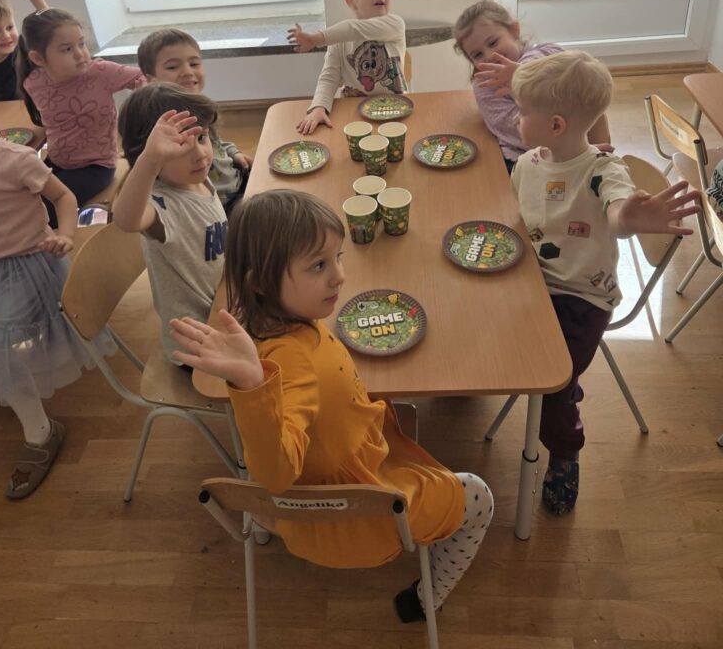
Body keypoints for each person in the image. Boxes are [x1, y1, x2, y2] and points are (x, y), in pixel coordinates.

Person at [169, 190, 493, 623]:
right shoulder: (291, 362)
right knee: (480, 497)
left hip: (330, 485)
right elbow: (276, 474)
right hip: (359, 513)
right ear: (260, 282)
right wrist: (251, 385)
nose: (339, 276)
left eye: (337, 258)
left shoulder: (276, 328)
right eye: (318, 266)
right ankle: (426, 598)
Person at [510, 50, 699, 514]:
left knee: (554, 386)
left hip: (580, 299)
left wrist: (630, 218)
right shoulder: (530, 161)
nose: (515, 119)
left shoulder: (603, 171)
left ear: (555, 124)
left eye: (522, 112)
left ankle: (565, 451)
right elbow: (518, 215)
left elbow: (617, 212)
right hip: (531, 281)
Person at [0, 89, 111, 499]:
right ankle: (14, 387)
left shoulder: (15, 160)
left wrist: (66, 234)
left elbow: (63, 196)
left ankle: (41, 433)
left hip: (26, 261)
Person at [114, 83, 227, 364]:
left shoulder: (198, 179)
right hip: (198, 343)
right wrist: (150, 160)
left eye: (202, 138)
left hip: (224, 307)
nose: (200, 154)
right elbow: (126, 219)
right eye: (179, 148)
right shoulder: (161, 204)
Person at [16, 8, 144, 224]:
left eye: (82, 43)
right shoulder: (34, 81)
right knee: (16, 197)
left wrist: (142, 89)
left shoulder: (101, 72)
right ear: (38, 58)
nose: (80, 53)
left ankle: (58, 241)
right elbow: (45, 31)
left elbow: (146, 77)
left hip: (96, 166)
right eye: (67, 49)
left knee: (39, 212)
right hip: (58, 161)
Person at [453, 0, 610, 172]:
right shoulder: (485, 86)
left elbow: (589, 91)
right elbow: (523, 134)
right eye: (477, 55)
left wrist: (520, 77)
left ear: (514, 30)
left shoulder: (549, 52)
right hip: (530, 160)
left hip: (580, 148)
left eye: (493, 43)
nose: (489, 55)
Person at [288, 0, 407, 135]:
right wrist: (319, 107)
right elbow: (329, 77)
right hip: (353, 112)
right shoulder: (339, 37)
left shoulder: (395, 25)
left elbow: (352, 28)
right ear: (351, 1)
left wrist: (316, 39)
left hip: (395, 110)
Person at [136, 28, 252, 213]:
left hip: (237, 181)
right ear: (151, 80)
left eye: (194, 63)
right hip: (217, 204)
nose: (187, 72)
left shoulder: (199, 104)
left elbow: (215, 141)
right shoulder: (162, 124)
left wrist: (233, 152)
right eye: (172, 67)